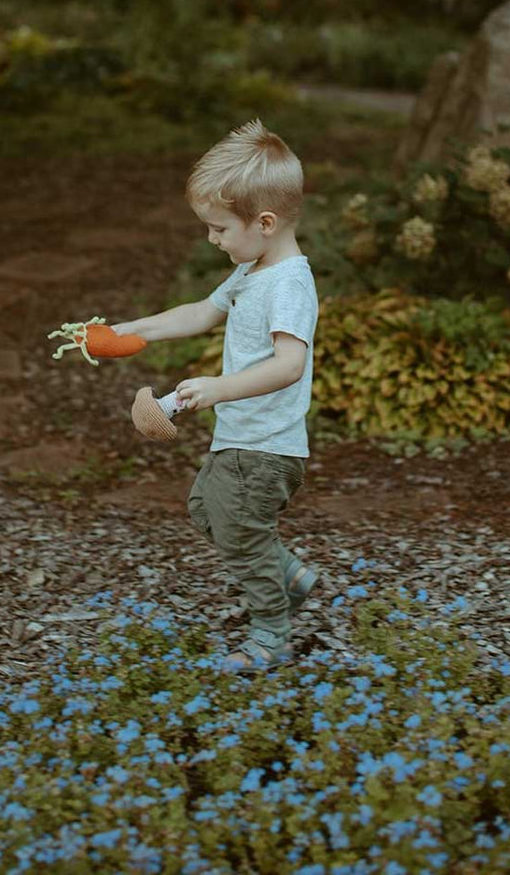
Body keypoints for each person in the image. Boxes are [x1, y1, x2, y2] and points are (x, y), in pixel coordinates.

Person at [111, 118, 319, 673]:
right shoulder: (253, 271)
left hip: (268, 445)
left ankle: (271, 631)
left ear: (266, 222)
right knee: (207, 509)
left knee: (237, 527)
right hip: (244, 436)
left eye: (220, 228)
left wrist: (217, 388)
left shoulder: (289, 284)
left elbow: (290, 364)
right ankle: (289, 575)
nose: (213, 238)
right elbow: (202, 313)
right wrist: (133, 331)